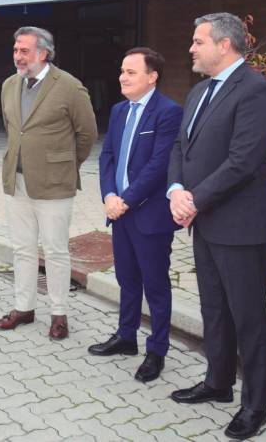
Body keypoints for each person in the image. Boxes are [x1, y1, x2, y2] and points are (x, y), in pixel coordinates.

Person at [167, 12, 266, 440]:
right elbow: (182, 146)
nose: (191, 49)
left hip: (242, 226)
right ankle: (218, 383)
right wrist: (176, 189)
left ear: (225, 45)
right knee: (213, 308)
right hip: (205, 220)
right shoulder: (198, 92)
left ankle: (256, 406)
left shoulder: (257, 91)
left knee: (248, 317)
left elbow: (243, 161)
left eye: (198, 41)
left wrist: (193, 200)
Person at [0, 26, 97, 340]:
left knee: (55, 251)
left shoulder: (69, 86)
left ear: (43, 53)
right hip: (18, 182)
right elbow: (14, 130)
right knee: (22, 249)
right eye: (15, 50)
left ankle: (58, 313)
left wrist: (63, 166)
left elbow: (87, 135)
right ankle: (24, 308)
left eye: (24, 50)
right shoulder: (9, 85)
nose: (17, 56)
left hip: (54, 185)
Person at [88, 47, 182, 383]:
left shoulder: (168, 112)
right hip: (120, 213)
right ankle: (126, 337)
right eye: (122, 72)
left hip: (149, 215)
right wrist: (109, 195)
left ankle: (156, 351)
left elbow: (159, 165)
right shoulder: (118, 111)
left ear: (152, 76)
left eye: (131, 72)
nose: (122, 78)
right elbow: (107, 156)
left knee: (155, 286)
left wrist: (125, 199)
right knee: (127, 280)